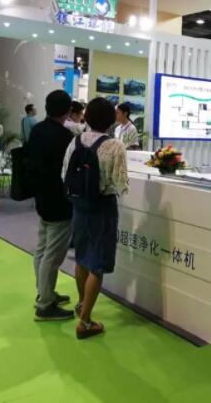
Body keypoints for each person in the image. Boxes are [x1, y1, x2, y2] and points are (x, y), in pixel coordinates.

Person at [63, 97, 128, 340]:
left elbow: (64, 174)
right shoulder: (115, 146)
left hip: (79, 206)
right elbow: (120, 183)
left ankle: (82, 303)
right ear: (110, 120)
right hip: (103, 207)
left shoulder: (75, 141)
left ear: (87, 117)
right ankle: (86, 321)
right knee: (97, 264)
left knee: (82, 257)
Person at [26, 90, 74, 321]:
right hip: (60, 201)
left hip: (42, 197)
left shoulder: (37, 130)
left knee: (42, 248)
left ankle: (44, 292)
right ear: (68, 110)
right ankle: (45, 305)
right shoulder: (65, 136)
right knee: (52, 255)